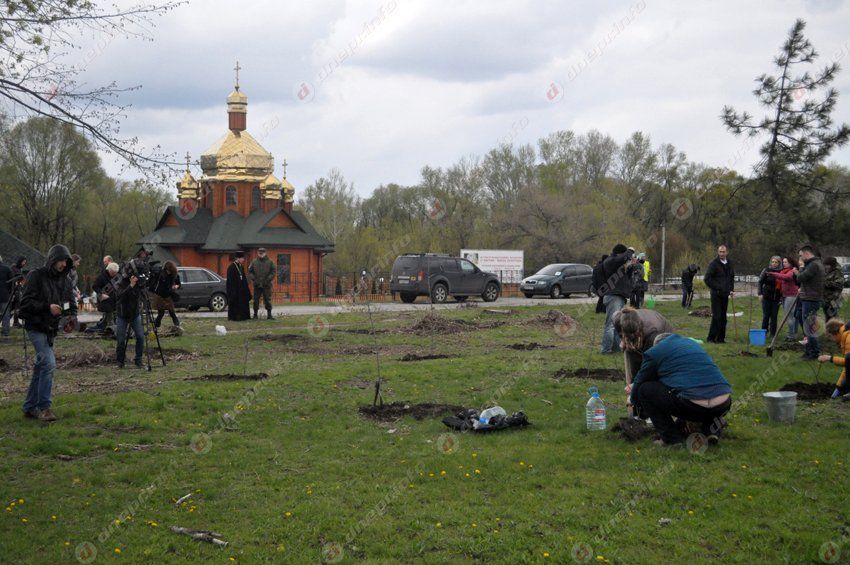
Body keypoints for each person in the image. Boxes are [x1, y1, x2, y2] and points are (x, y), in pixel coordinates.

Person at [628, 333, 732, 446]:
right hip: (724, 402)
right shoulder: (692, 344)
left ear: (657, 345)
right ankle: (710, 431)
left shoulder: (655, 352)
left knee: (645, 390)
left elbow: (640, 381)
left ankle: (671, 439)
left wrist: (633, 401)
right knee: (706, 390)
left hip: (693, 405)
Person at [17, 245, 77, 421]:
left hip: (50, 329)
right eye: (60, 260)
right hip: (35, 326)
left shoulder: (65, 281)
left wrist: (69, 320)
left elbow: (70, 306)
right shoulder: (36, 275)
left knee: (41, 367)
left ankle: (29, 407)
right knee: (49, 364)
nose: (63, 264)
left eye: (65, 261)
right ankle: (44, 408)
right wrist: (47, 307)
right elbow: (25, 304)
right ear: (52, 260)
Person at [613, 307, 674, 417]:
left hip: (663, 340)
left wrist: (637, 383)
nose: (631, 340)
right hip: (639, 334)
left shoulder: (653, 331)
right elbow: (619, 329)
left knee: (649, 376)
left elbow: (650, 366)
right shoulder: (618, 318)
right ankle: (637, 411)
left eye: (633, 337)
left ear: (639, 329)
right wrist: (622, 339)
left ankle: (650, 411)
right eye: (627, 335)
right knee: (635, 373)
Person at [599, 244, 634, 353]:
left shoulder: (616, 264)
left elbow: (625, 277)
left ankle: (616, 349)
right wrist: (630, 251)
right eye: (623, 254)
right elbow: (622, 258)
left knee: (617, 324)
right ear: (619, 253)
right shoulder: (610, 261)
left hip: (618, 296)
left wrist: (630, 267)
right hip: (613, 296)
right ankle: (605, 350)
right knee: (610, 325)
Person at [793, 245, 824, 361]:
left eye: (801, 255)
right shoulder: (813, 264)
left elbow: (801, 278)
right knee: (804, 322)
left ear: (807, 253)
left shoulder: (814, 265)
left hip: (811, 299)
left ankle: (814, 353)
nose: (800, 258)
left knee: (810, 327)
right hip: (808, 297)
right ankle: (809, 350)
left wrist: (799, 269)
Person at [704, 245, 734, 343]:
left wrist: (731, 289)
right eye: (720, 252)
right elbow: (707, 279)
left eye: (723, 252)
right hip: (716, 294)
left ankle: (721, 339)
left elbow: (731, 277)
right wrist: (717, 287)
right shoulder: (713, 264)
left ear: (727, 252)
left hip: (725, 294)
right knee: (717, 316)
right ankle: (711, 338)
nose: (722, 253)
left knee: (723, 317)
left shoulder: (729, 263)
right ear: (718, 252)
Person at [115, 272, 146, 369]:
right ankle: (120, 361)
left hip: (135, 314)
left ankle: (138, 360)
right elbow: (120, 297)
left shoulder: (139, 284)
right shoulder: (121, 283)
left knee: (140, 337)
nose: (134, 278)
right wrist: (130, 286)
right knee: (120, 340)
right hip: (122, 315)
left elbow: (142, 296)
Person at [771, 257, 801, 341]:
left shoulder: (791, 271)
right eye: (783, 262)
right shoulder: (784, 271)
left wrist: (773, 274)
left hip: (791, 296)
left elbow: (785, 277)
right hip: (785, 296)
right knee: (793, 316)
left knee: (789, 316)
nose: (784, 264)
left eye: (786, 262)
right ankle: (794, 334)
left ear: (790, 263)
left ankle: (791, 336)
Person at [818, 319, 850, 398]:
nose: (832, 340)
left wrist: (830, 358)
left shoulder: (848, 337)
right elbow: (848, 366)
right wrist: (838, 387)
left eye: (830, 337)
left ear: (835, 333)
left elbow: (848, 361)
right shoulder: (845, 335)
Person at [150, 260, 182, 331]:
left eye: (170, 271)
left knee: (172, 312)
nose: (168, 273)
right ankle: (156, 326)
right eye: (168, 271)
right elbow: (161, 288)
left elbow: (179, 284)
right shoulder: (161, 275)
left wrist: (176, 286)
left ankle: (177, 325)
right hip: (159, 295)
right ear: (166, 269)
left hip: (168, 295)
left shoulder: (174, 274)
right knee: (161, 313)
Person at [758, 256, 782, 337]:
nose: (774, 264)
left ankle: (773, 334)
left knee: (774, 316)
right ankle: (763, 332)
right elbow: (760, 282)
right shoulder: (766, 270)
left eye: (776, 262)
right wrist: (760, 293)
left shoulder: (781, 272)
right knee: (766, 315)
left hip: (776, 297)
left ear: (779, 263)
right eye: (773, 262)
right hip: (766, 296)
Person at [248, 248, 275, 320]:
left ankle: (269, 315)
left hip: (267, 284)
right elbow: (250, 271)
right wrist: (254, 279)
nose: (261, 254)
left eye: (262, 252)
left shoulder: (270, 262)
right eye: (259, 252)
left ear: (265, 253)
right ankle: (255, 315)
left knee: (268, 300)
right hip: (257, 285)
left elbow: (273, 272)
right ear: (257, 253)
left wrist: (268, 279)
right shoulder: (254, 262)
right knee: (256, 300)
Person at [226, 251, 251, 321]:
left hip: (241, 290)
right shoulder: (231, 267)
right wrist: (234, 291)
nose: (243, 260)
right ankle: (234, 317)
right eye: (242, 258)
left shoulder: (241, 267)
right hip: (235, 289)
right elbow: (230, 281)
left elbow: (243, 277)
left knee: (242, 302)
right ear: (238, 258)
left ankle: (243, 316)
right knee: (235, 303)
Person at [822, 257, 844, 322]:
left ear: (831, 265)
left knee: (833, 317)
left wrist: (825, 283)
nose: (825, 266)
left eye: (827, 265)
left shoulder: (838, 272)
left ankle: (837, 331)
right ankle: (829, 331)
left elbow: (839, 285)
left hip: (834, 299)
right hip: (826, 299)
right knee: (827, 317)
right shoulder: (828, 271)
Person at [11, 256, 28, 328]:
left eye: (25, 262)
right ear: (20, 261)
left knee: (17, 306)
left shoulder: (19, 269)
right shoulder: (14, 268)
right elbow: (18, 278)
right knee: (14, 307)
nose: (24, 263)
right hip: (14, 290)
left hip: (18, 289)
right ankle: (15, 322)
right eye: (23, 262)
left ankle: (16, 321)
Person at [0, 255, 11, 338]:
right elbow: (11, 283)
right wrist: (10, 292)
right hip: (4, 295)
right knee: (6, 315)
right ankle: (5, 333)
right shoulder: (7, 269)